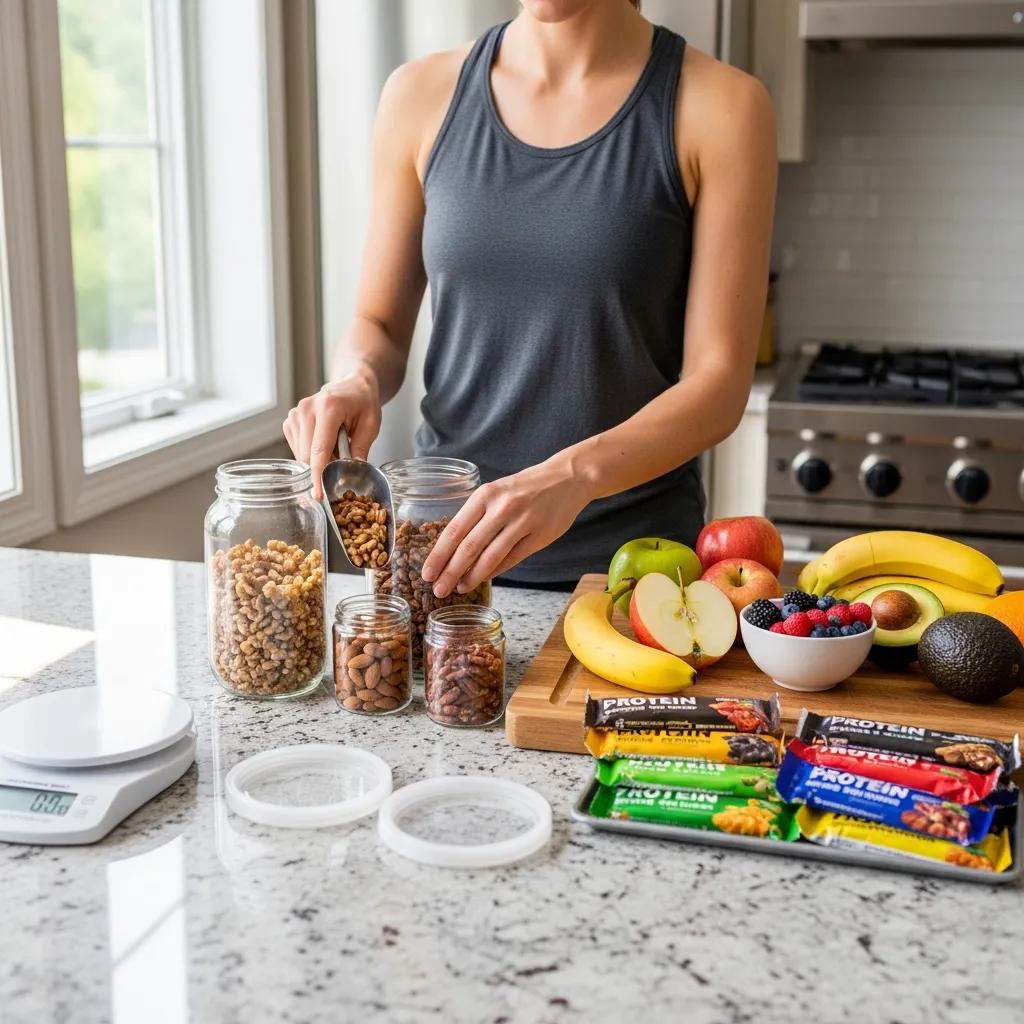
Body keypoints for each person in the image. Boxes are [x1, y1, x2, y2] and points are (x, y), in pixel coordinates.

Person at [284, 0, 777, 598]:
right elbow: (378, 323)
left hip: (626, 580)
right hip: (438, 565)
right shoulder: (418, 93)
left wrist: (571, 477)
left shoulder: (722, 106)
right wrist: (357, 379)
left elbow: (719, 384)